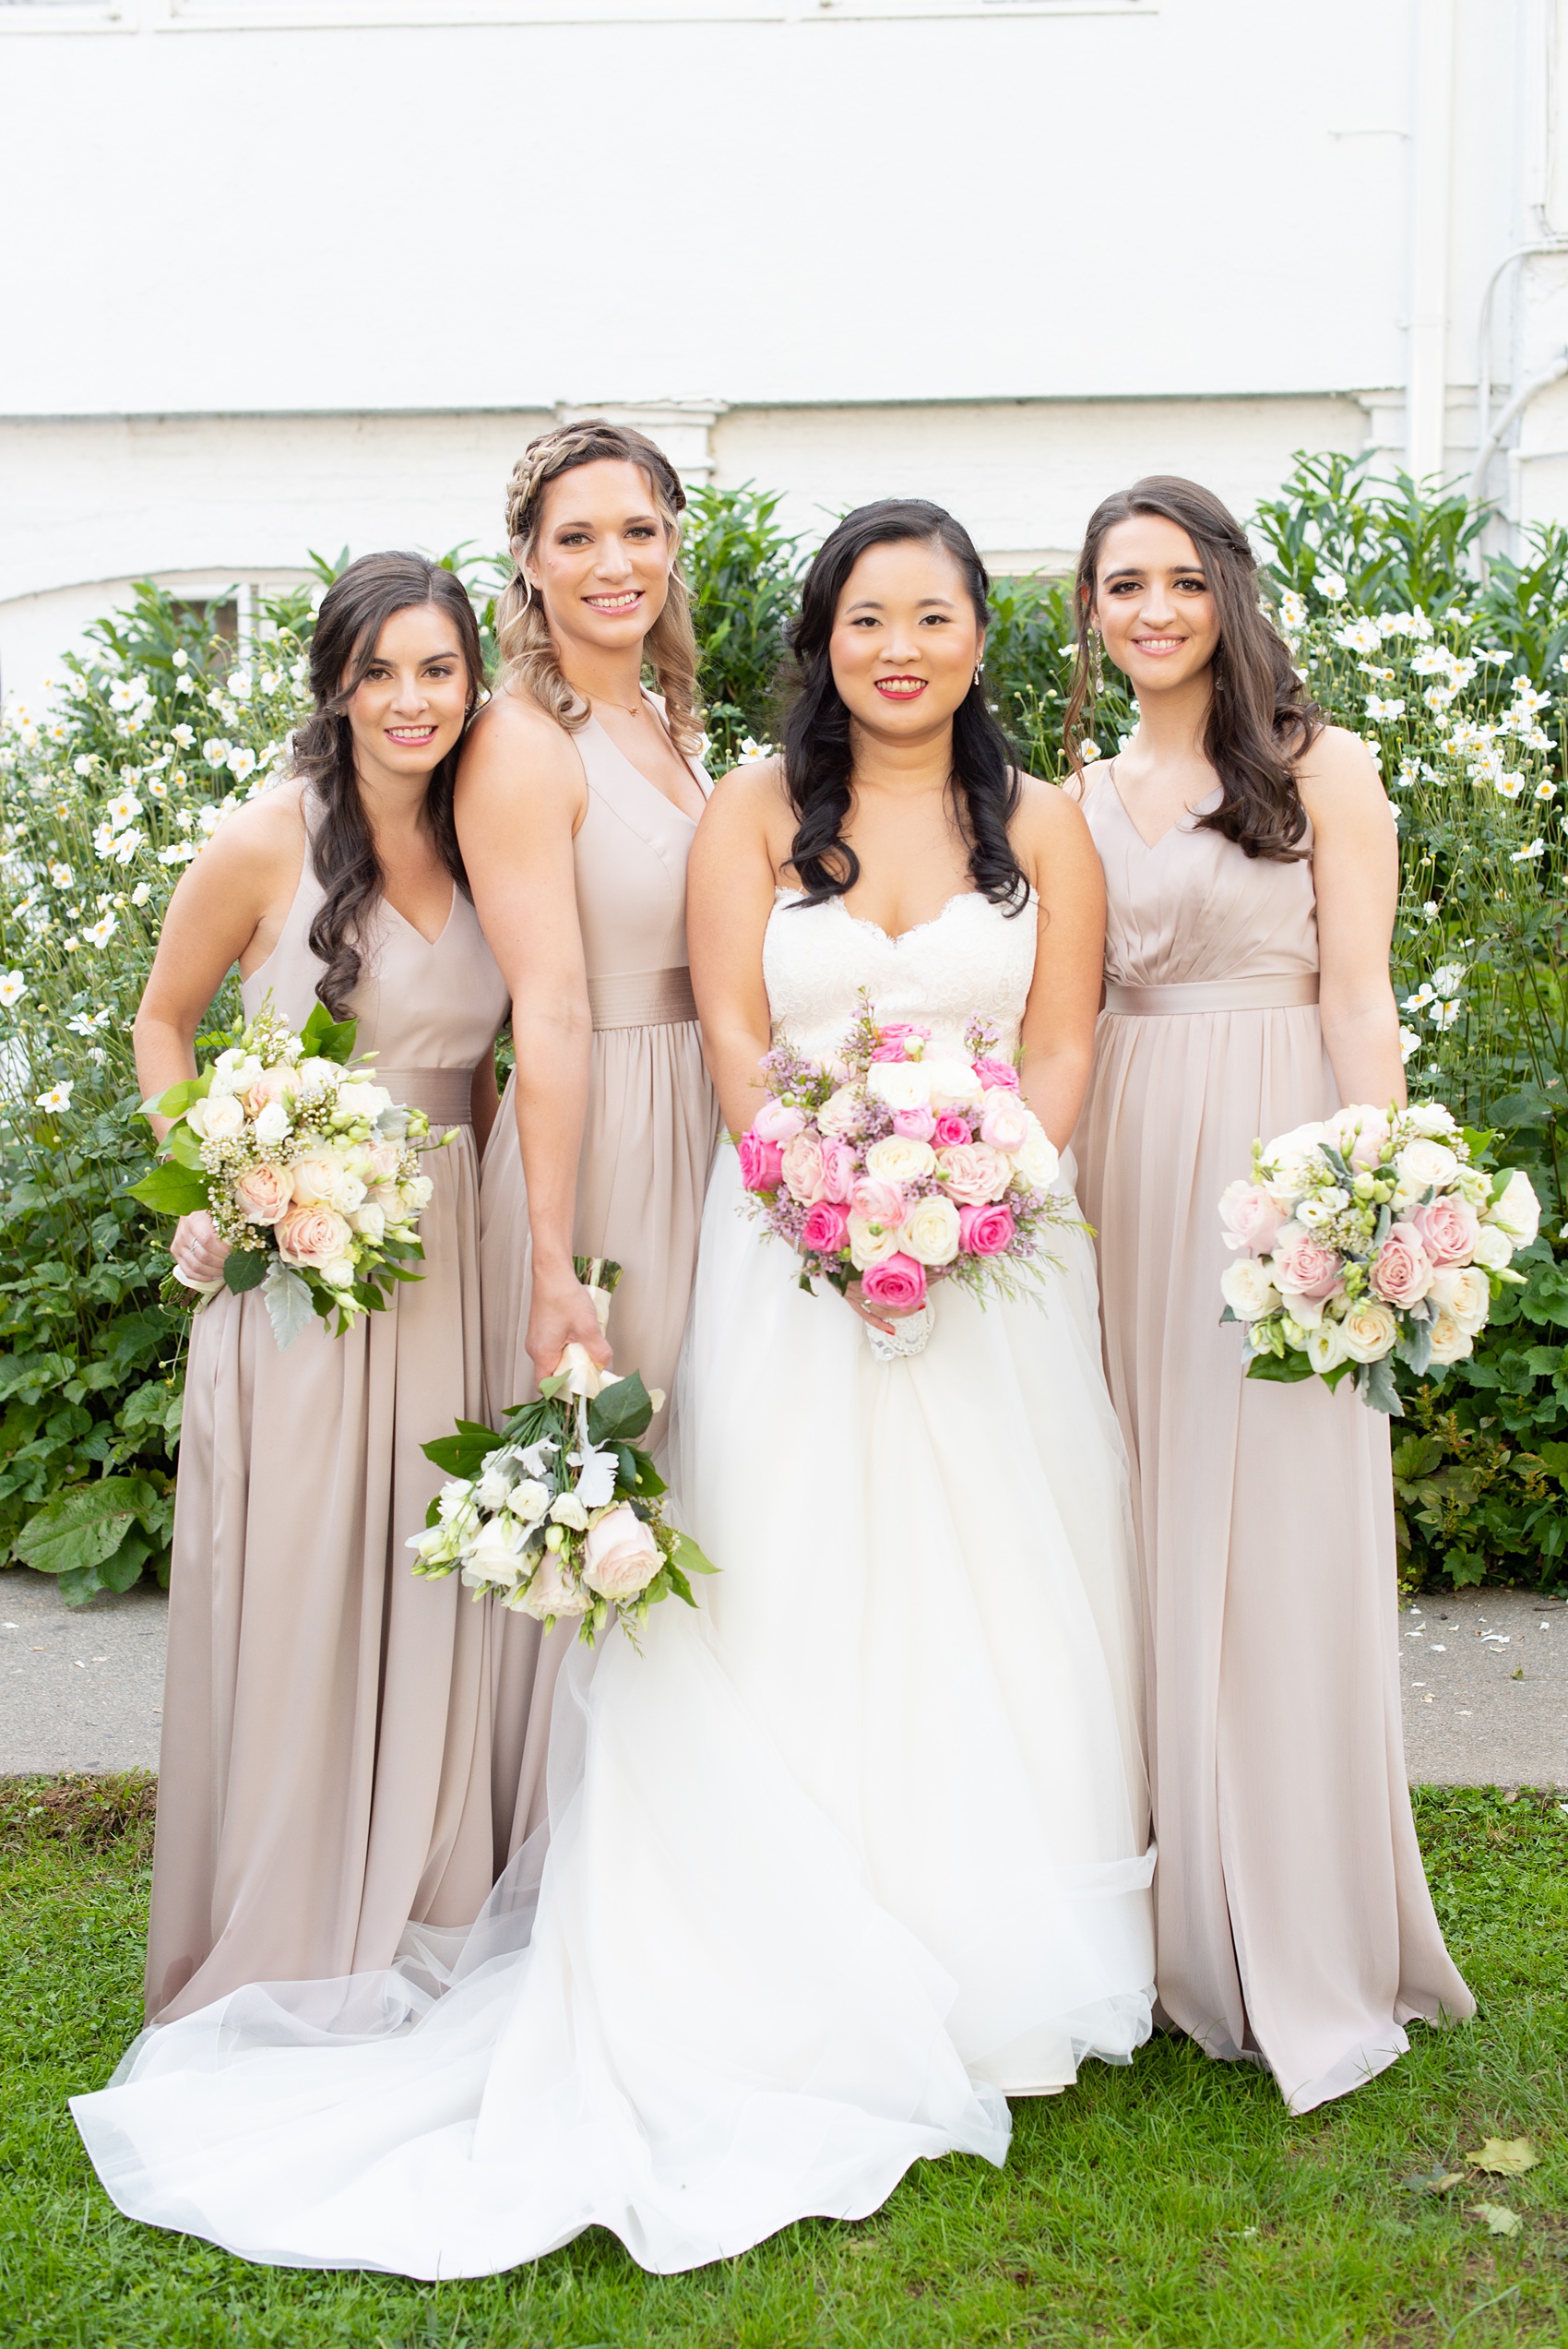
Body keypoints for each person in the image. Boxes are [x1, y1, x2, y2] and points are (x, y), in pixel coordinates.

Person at [70, 501, 1153, 2276]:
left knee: (1007, 1590)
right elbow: (724, 1025)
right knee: (785, 1575)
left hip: (998, 1257)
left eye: (935, 613)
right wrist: (819, 1190)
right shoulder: (747, 801)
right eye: (867, 614)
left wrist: (986, 1187)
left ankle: (997, 1944)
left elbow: (1065, 1032)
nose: (901, 644)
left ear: (980, 635)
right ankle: (774, 1931)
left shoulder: (1039, 820)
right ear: (823, 638)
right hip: (790, 1234)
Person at [1066, 476, 1474, 2114]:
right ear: (1089, 613)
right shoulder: (1078, 793)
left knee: (1284, 1532)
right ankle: (1161, 1915)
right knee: (1137, 1522)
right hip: (1121, 1160)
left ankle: (1294, 1913)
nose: (1152, 609)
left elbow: (1360, 990)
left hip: (1275, 1158)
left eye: (1179, 580)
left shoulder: (1323, 765)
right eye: (1121, 585)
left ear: (1229, 593)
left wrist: (1375, 1189)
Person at [130, 553, 509, 2021]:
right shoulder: (262, 841)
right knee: (300, 1585)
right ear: (334, 685)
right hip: (302, 1264)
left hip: (451, 1250)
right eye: (380, 672)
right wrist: (220, 1174)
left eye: (437, 669)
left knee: (429, 1574)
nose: (411, 701)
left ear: (473, 680)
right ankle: (282, 1922)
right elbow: (166, 1022)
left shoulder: (487, 839)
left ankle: (423, 1891)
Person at [457, 420, 719, 1858]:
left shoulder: (669, 724)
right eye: (578, 537)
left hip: (702, 1118)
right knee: (605, 1476)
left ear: (674, 542)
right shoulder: (518, 740)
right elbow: (544, 1008)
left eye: (639, 530)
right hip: (600, 1131)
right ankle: (571, 1868)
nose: (614, 562)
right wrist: (551, 1255)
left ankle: (673, 1848)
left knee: (691, 1464)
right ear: (528, 563)